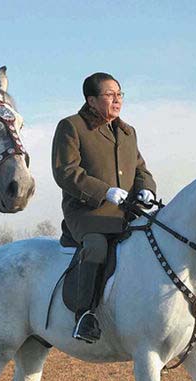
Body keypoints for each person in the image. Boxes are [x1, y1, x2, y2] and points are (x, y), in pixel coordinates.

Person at [52, 72, 157, 343]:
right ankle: (84, 316)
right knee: (97, 247)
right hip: (88, 214)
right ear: (91, 100)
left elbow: (140, 169)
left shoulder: (127, 131)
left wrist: (146, 188)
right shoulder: (72, 127)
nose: (117, 100)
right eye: (109, 95)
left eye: (120, 94)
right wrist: (104, 192)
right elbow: (65, 171)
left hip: (126, 213)